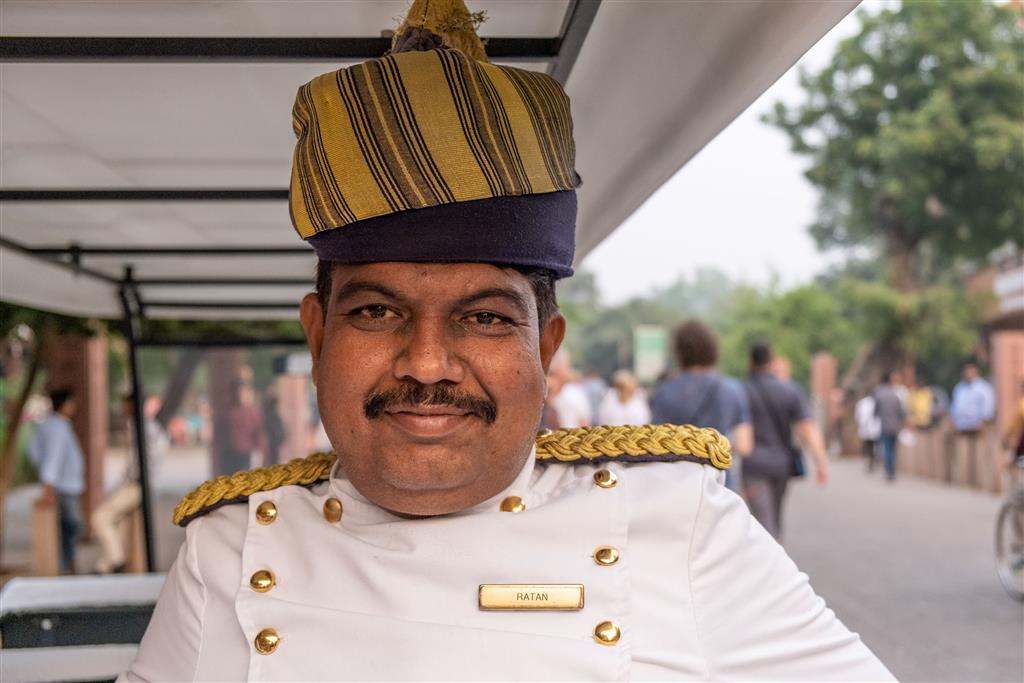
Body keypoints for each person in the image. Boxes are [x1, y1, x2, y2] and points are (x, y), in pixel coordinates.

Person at [123, 3, 891, 679]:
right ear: (317, 336)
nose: (427, 364)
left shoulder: (682, 529)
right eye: (378, 312)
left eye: (485, 317)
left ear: (546, 347)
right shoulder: (228, 548)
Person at [651, 319, 752, 491]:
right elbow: (744, 445)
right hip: (720, 485)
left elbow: (656, 444)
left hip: (677, 484)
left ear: (679, 351)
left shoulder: (664, 391)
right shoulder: (731, 389)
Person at [742, 343, 829, 540]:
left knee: (763, 522)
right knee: (775, 517)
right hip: (782, 464)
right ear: (771, 361)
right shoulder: (789, 390)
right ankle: (775, 551)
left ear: (750, 362)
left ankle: (771, 554)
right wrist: (821, 462)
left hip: (754, 466)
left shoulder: (741, 390)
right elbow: (807, 428)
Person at [92, 394, 168, 574]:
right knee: (119, 522)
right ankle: (106, 565)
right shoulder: (150, 426)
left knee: (100, 517)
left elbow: (136, 465)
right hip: (141, 483)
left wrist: (125, 483)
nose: (123, 409)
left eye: (125, 405)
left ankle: (115, 559)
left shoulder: (142, 427)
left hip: (136, 485)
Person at [28, 387, 85, 574]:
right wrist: (48, 484)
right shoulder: (57, 427)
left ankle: (67, 564)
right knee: (70, 526)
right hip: (64, 486)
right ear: (65, 404)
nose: (74, 406)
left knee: (66, 527)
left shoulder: (51, 425)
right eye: (72, 402)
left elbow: (34, 454)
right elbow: (53, 457)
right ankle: (65, 565)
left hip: (64, 484)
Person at [950, 362, 996, 487]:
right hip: (962, 426)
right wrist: (954, 422)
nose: (968, 375)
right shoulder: (959, 387)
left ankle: (979, 481)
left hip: (978, 425)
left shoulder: (983, 388)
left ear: (976, 373)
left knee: (979, 455)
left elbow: (988, 406)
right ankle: (966, 480)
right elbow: (955, 406)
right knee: (964, 456)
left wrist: (984, 422)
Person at [219, 380, 267, 476]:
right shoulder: (227, 412)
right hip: (229, 453)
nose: (240, 396)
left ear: (249, 393)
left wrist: (259, 454)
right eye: (237, 393)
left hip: (247, 453)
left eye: (243, 392)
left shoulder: (255, 412)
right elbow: (221, 435)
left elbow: (259, 434)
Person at [871, 371, 906, 482]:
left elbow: (875, 412)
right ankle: (892, 471)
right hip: (895, 427)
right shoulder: (896, 397)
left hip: (885, 426)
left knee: (886, 449)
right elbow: (901, 413)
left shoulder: (879, 395)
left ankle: (888, 471)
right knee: (893, 450)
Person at [546, 350, 592, 429]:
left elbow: (584, 423)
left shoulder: (574, 393)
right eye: (566, 366)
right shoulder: (547, 393)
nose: (568, 370)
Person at [855, 391, 881, 472]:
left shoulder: (861, 403)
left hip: (867, 427)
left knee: (868, 445)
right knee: (874, 445)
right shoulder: (876, 402)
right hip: (874, 428)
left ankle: (870, 460)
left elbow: (857, 416)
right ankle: (872, 460)